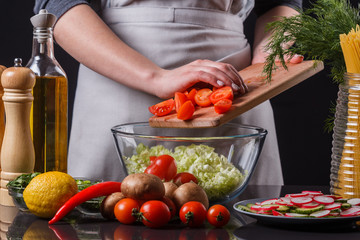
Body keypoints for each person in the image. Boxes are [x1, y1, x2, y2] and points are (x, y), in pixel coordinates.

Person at [34, 0, 302, 185]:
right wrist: (156, 78)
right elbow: (58, 5)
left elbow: (280, 4)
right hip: (118, 79)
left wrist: (270, 56)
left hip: (232, 90)